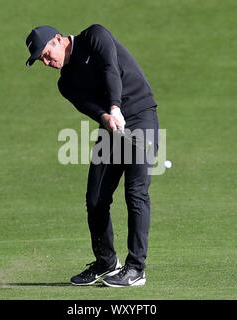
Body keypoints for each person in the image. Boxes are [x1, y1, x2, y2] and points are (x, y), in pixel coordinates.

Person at [25, 24, 159, 287]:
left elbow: (111, 68)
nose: (46, 61)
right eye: (41, 59)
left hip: (141, 115)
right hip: (112, 126)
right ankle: (107, 262)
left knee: (136, 192)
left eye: (46, 53)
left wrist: (115, 106)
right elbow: (89, 107)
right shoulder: (65, 84)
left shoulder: (94, 36)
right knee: (95, 198)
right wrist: (106, 116)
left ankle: (136, 269)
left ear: (58, 39)